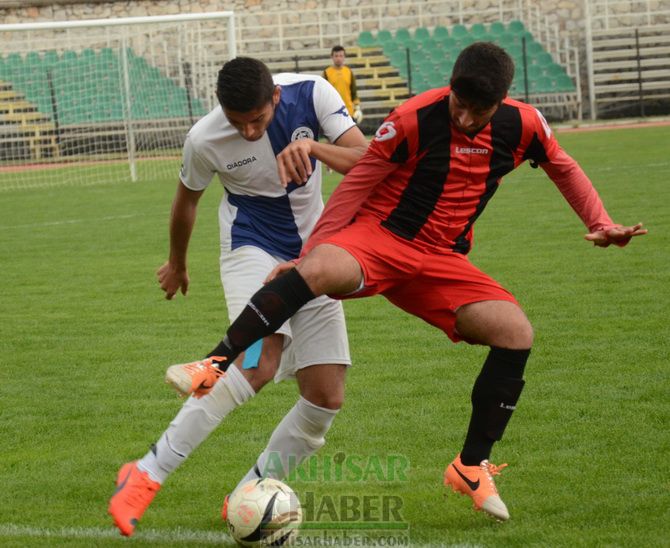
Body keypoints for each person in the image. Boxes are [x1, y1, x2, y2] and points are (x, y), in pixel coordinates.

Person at [167, 42, 647, 522]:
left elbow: (563, 166)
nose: (462, 119)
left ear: (502, 101)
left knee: (516, 332)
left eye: (476, 111)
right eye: (457, 104)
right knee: (315, 270)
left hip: (442, 260)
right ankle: (215, 361)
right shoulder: (414, 117)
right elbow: (358, 180)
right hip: (381, 238)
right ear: (450, 88)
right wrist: (312, 249)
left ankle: (470, 466)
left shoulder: (525, 125)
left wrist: (600, 220)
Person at [108, 57, 367, 537]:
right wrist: (178, 262)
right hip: (252, 245)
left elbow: (369, 161)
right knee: (256, 363)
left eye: (258, 120)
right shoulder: (204, 138)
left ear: (275, 98)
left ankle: (249, 494)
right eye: (236, 122)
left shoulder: (314, 95)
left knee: (326, 395)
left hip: (315, 254)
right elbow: (187, 200)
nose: (248, 132)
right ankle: (145, 473)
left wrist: (312, 146)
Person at [323, 45, 363, 124]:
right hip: (333, 112)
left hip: (349, 111)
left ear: (344, 57)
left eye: (341, 56)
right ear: (332, 57)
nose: (338, 58)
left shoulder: (349, 72)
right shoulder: (326, 73)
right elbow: (323, 94)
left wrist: (357, 108)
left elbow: (354, 92)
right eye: (336, 56)